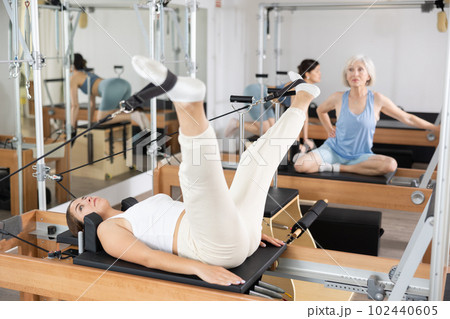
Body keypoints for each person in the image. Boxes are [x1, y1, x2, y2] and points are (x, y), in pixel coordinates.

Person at [66, 56, 320, 286]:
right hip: (212, 248)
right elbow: (148, 258)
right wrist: (199, 269)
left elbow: (208, 216)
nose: (85, 199)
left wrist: (240, 225)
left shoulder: (132, 210)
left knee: (254, 160)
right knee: (195, 181)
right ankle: (186, 100)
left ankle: (303, 98)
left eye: (81, 198)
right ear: (84, 224)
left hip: (236, 235)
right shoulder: (106, 229)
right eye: (81, 207)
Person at [294, 55, 439, 176]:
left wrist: (434, 128)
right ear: (346, 75)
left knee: (391, 165)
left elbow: (406, 117)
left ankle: (339, 168)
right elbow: (320, 110)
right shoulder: (338, 97)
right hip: (333, 151)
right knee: (300, 165)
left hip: (361, 157)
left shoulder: (377, 99)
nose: (354, 74)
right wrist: (329, 129)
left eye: (360, 70)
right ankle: (334, 164)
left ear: (368, 75)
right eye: (350, 70)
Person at [225, 59, 321, 154]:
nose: (320, 73)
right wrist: (296, 144)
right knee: (266, 129)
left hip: (268, 103)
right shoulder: (298, 85)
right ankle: (236, 123)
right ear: (307, 74)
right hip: (256, 92)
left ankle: (262, 152)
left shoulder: (308, 90)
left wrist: (305, 139)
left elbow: (305, 116)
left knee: (271, 131)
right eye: (317, 71)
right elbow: (295, 117)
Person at [70, 53, 149, 135]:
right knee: (118, 113)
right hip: (124, 84)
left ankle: (133, 115)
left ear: (71, 65)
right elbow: (92, 103)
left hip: (111, 87)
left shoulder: (73, 78)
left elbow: (75, 106)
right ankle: (140, 117)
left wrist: (71, 127)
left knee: (102, 119)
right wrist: (90, 123)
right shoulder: (88, 73)